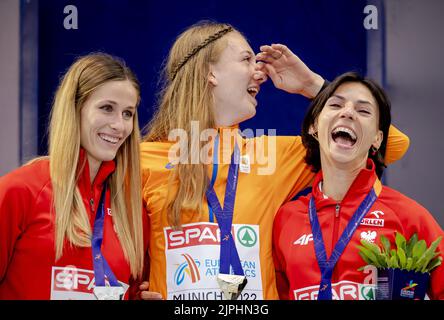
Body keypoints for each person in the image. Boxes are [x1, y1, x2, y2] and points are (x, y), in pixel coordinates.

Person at [140, 21, 410, 300]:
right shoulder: (142, 161)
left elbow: (391, 146)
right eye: (247, 59)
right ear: (210, 73)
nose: (260, 73)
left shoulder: (273, 156)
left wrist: (314, 87)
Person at [272, 72, 444, 300]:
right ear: (314, 127)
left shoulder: (408, 217)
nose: (348, 113)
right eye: (335, 105)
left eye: (363, 111)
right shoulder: (287, 218)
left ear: (378, 139)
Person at [0, 53, 149, 300]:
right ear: (75, 109)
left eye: (128, 113)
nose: (120, 126)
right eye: (107, 108)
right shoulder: (21, 190)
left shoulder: (132, 210)